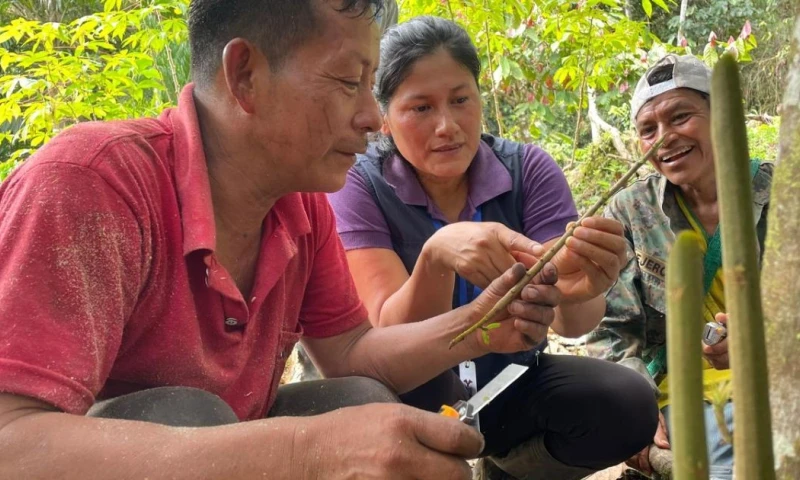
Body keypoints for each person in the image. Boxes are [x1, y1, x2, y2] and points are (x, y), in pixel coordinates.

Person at [0, 2, 576, 479]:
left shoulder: (300, 202)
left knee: (359, 402)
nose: (372, 118)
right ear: (245, 75)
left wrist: (479, 325)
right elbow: (11, 443)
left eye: (370, 87)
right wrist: (306, 453)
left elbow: (351, 354)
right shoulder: (91, 182)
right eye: (348, 82)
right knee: (186, 411)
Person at [328, 16, 659, 480]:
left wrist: (582, 286)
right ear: (384, 119)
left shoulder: (528, 170)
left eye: (461, 99)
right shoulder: (358, 184)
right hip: (407, 396)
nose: (447, 126)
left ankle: (511, 470)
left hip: (507, 383)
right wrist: (436, 256)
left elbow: (571, 321)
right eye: (420, 108)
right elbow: (388, 333)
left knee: (626, 403)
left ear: (480, 97)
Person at [586, 54, 773, 480]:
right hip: (681, 400)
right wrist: (634, 406)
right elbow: (610, 331)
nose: (665, 138)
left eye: (680, 117)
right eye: (647, 130)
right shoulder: (631, 210)